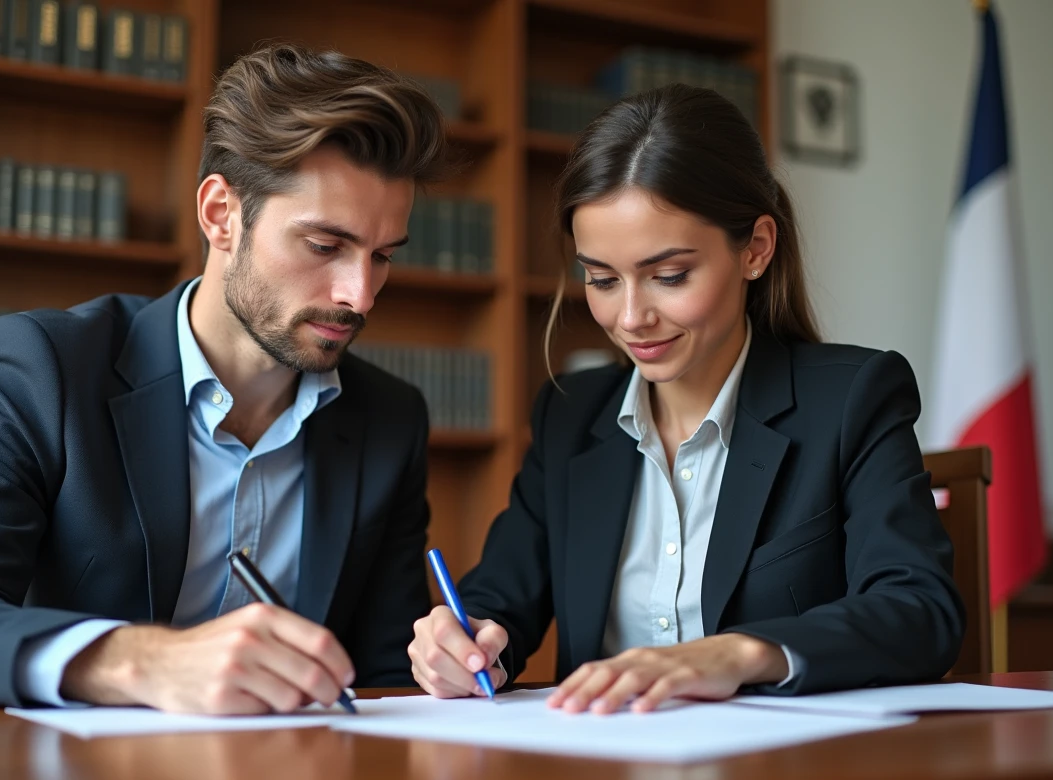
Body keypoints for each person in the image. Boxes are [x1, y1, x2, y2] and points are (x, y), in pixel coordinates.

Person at [0, 44, 449, 713]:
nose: (360, 295)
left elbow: (383, 675)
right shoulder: (42, 368)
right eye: (325, 247)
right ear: (221, 215)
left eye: (382, 257)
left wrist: (440, 662)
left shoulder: (390, 418)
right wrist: (139, 661)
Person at [409, 84, 965, 713]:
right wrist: (466, 643)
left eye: (669, 277)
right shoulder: (570, 414)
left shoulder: (852, 399)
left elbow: (920, 611)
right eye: (600, 278)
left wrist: (739, 652)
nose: (630, 317)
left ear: (755, 249)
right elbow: (499, 601)